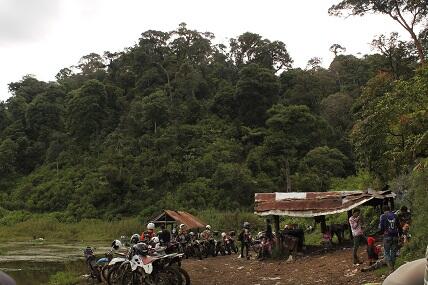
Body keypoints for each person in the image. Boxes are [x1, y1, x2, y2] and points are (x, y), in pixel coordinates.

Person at [379, 205, 401, 273]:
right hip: (395, 236)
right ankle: (393, 268)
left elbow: (381, 228)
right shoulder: (395, 216)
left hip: (387, 236)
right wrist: (400, 235)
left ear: (383, 210)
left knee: (386, 252)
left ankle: (391, 269)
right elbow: (399, 226)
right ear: (390, 209)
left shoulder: (383, 216)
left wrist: (380, 233)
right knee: (394, 252)